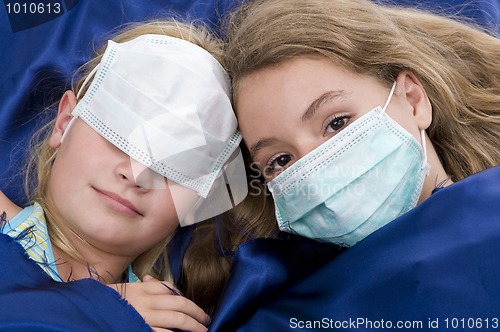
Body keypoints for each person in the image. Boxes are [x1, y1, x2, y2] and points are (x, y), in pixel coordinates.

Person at [204, 0, 500, 330]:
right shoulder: (283, 315)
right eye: (281, 160)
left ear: (414, 100)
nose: (315, 174)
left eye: (336, 123)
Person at [0, 19, 247, 332]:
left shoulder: (166, 319)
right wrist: (94, 308)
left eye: (179, 163)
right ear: (64, 123)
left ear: (200, 200)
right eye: (118, 132)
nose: (137, 174)